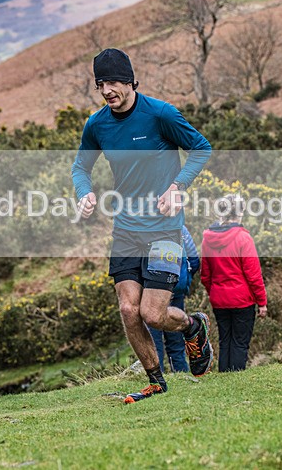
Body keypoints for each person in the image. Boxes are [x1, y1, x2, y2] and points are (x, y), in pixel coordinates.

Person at [72, 47, 213, 404]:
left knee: (153, 313)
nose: (107, 90)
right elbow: (80, 167)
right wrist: (84, 193)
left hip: (165, 230)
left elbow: (201, 147)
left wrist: (177, 186)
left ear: (131, 80)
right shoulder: (97, 124)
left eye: (115, 81)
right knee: (127, 309)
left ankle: (192, 326)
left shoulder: (160, 114)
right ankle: (155, 380)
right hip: (125, 230)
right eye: (101, 83)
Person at [200, 194, 268, 372]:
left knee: (225, 341)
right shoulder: (243, 238)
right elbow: (253, 275)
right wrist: (262, 302)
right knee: (239, 343)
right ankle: (236, 378)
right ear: (239, 213)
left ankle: (224, 378)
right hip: (242, 300)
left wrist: (214, 292)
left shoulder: (207, 239)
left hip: (219, 299)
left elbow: (205, 275)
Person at [148, 225, 199, 373]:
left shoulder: (144, 227)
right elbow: (194, 259)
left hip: (152, 291)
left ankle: (158, 377)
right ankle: (181, 374)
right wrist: (185, 280)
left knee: (154, 341)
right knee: (176, 340)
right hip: (176, 287)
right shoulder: (180, 228)